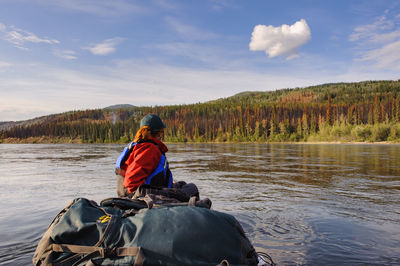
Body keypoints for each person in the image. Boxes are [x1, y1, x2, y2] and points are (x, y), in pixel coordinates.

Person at [116, 114, 173, 197]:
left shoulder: (137, 145)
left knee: (181, 185)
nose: (162, 135)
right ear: (159, 133)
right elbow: (131, 182)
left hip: (128, 193)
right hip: (140, 196)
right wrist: (138, 198)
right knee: (191, 188)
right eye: (162, 132)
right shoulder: (150, 149)